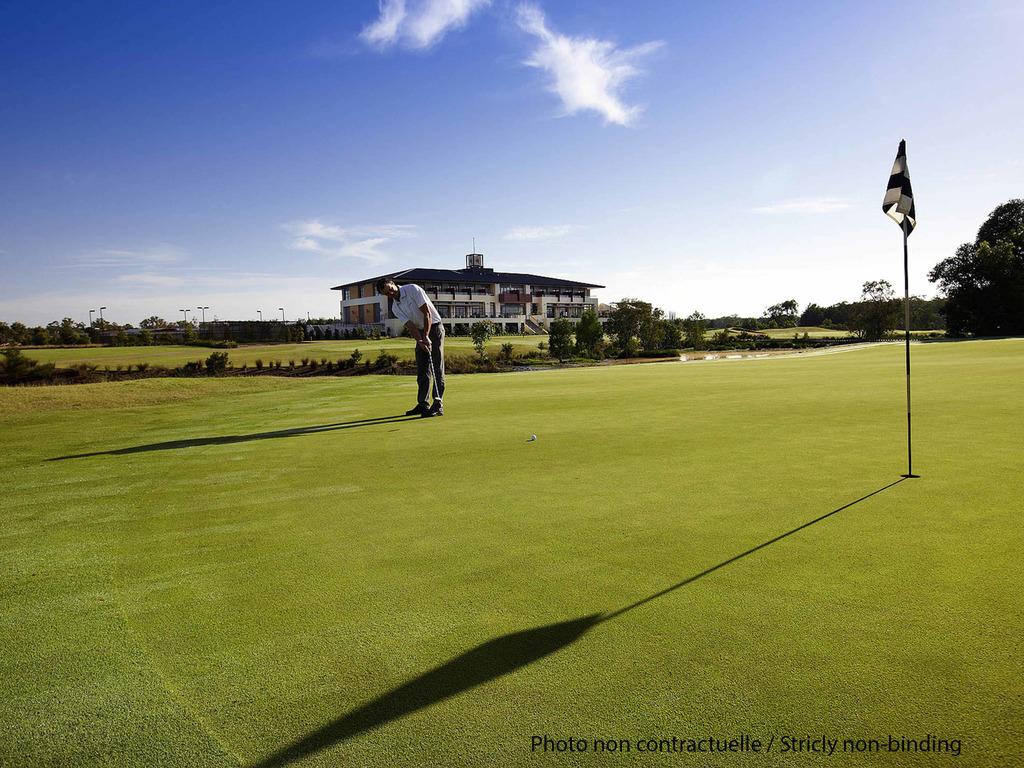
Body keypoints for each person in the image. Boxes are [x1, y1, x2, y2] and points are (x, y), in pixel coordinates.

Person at [376, 278, 445, 417]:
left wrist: (426, 336)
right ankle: (423, 404)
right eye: (386, 294)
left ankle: (437, 404)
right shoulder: (395, 307)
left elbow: (427, 314)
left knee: (437, 367)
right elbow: (410, 326)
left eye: (390, 289)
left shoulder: (412, 289)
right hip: (420, 331)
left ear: (393, 284)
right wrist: (420, 340)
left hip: (434, 328)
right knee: (422, 370)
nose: (390, 293)